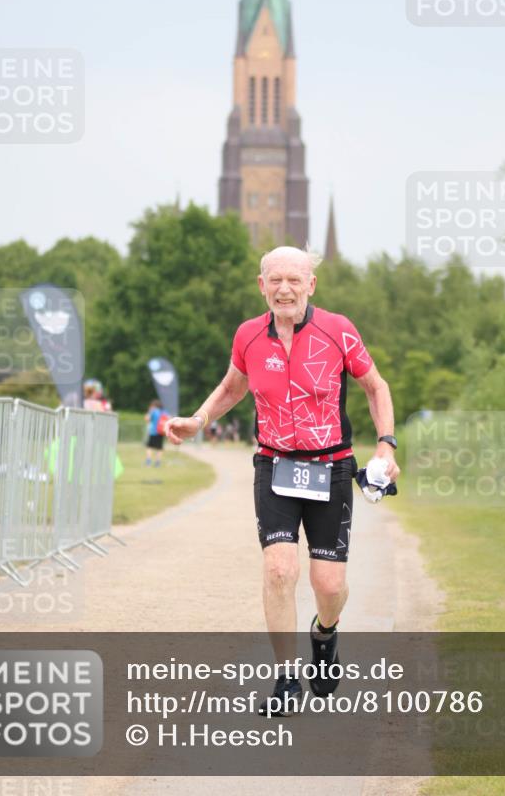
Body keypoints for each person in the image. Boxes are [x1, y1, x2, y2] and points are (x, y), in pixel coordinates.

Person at [165, 246, 399, 715]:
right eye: (276, 280)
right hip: (274, 465)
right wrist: (200, 418)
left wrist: (386, 445)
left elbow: (376, 386)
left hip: (332, 466)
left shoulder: (338, 330)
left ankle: (325, 634)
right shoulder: (249, 335)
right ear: (262, 286)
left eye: (295, 280)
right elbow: (234, 384)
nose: (285, 289)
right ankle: (287, 677)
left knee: (328, 585)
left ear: (311, 285)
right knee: (279, 570)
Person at [144, 399, 165, 466]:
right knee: (159, 448)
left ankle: (148, 461)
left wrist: (149, 412)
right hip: (161, 432)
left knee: (149, 447)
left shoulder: (153, 411)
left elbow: (147, 419)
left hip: (153, 432)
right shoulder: (163, 412)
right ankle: (158, 462)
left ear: (153, 405)